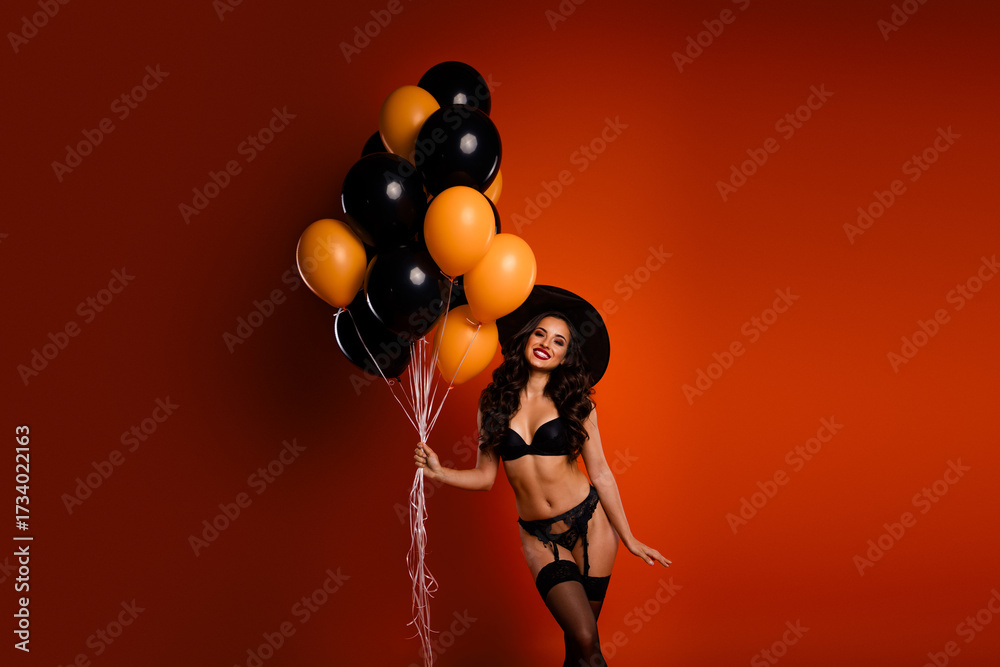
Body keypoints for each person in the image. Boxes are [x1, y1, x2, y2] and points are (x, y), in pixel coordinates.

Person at [414, 285, 670, 666]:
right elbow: (486, 477)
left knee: (580, 647)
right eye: (540, 334)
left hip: (592, 526)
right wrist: (440, 473)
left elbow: (601, 473)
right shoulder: (493, 402)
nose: (546, 344)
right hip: (538, 536)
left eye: (558, 341)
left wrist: (629, 538)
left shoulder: (576, 404)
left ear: (566, 355)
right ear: (526, 338)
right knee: (584, 636)